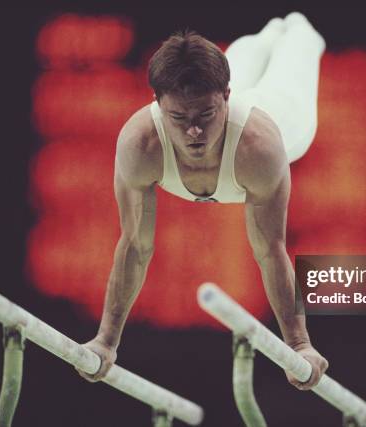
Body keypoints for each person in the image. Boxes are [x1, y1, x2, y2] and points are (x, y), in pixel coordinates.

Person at [77, 12, 328, 390]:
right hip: (225, 112)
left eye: (205, 114)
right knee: (250, 49)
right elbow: (135, 247)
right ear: (158, 103)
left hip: (282, 116)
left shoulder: (259, 147)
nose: (193, 130)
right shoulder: (140, 145)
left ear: (226, 96)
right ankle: (268, 31)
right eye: (178, 117)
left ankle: (295, 25)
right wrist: (105, 342)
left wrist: (299, 344)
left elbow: (268, 250)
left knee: (298, 47)